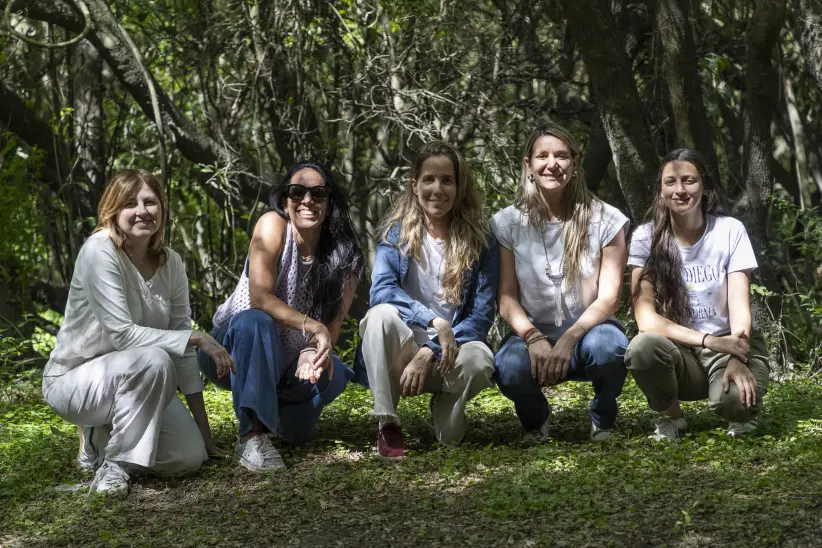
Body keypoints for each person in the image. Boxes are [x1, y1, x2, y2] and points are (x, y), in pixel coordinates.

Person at [42, 169, 233, 496]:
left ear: (162, 208)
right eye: (130, 203)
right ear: (112, 210)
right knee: (156, 359)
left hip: (140, 384)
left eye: (150, 202)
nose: (142, 210)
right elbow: (123, 336)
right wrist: (196, 336)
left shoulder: (171, 263)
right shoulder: (99, 252)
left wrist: (205, 432)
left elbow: (183, 351)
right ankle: (113, 464)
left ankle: (105, 437)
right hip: (74, 383)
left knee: (187, 457)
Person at [200, 161, 364, 472]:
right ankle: (252, 436)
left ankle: (273, 406)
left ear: (330, 204)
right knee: (254, 321)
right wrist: (311, 327)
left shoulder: (346, 256)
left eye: (318, 193)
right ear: (285, 200)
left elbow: (332, 329)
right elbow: (260, 299)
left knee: (301, 429)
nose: (307, 201)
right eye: (297, 192)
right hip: (231, 350)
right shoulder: (272, 226)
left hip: (289, 361)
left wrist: (310, 352)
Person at [355, 140, 498, 461]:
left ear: (460, 187)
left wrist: (429, 350)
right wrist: (434, 322)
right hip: (399, 354)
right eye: (429, 179)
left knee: (482, 361)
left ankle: (446, 398)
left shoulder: (482, 241)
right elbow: (381, 292)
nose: (438, 189)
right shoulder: (395, 236)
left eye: (447, 180)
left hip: (451, 352)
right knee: (379, 316)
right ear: (414, 185)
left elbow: (480, 317)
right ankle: (387, 421)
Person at [491, 121, 630, 442]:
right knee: (509, 366)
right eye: (542, 156)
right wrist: (533, 337)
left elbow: (609, 299)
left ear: (575, 163)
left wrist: (569, 339)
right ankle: (535, 421)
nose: (552, 164)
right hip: (533, 338)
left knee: (610, 349)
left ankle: (603, 419)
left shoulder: (606, 219)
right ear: (528, 165)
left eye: (562, 156)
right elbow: (507, 298)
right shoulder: (507, 223)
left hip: (590, 335)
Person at [625, 148, 769, 440]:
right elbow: (646, 320)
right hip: (680, 354)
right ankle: (671, 419)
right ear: (661, 190)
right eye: (671, 182)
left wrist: (738, 356)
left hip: (729, 344)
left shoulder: (730, 231)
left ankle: (739, 408)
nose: (680, 190)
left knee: (735, 405)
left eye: (689, 180)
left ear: (704, 187)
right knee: (642, 347)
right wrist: (707, 340)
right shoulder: (645, 237)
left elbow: (741, 308)